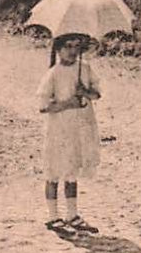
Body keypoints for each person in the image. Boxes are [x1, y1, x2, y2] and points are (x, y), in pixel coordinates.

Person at [38, 33, 102, 234]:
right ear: (58, 49)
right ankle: (53, 216)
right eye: (67, 46)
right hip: (59, 129)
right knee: (54, 170)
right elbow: (43, 106)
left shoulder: (85, 69)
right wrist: (67, 104)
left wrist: (85, 93)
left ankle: (72, 214)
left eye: (76, 46)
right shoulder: (53, 74)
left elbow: (96, 94)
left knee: (72, 170)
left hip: (79, 127)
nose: (72, 51)